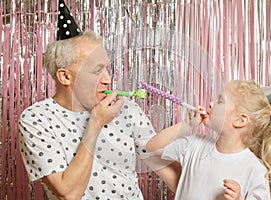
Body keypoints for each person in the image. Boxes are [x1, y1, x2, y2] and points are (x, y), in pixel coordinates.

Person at [18, 30, 180, 200]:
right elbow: (68, 193)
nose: (108, 80)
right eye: (97, 71)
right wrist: (95, 124)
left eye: (106, 69)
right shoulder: (36, 119)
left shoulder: (125, 108)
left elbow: (169, 172)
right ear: (65, 77)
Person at [146, 80, 271, 200]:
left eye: (220, 101)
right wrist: (185, 125)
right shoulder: (194, 145)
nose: (211, 103)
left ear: (240, 120)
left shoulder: (254, 170)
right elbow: (152, 146)